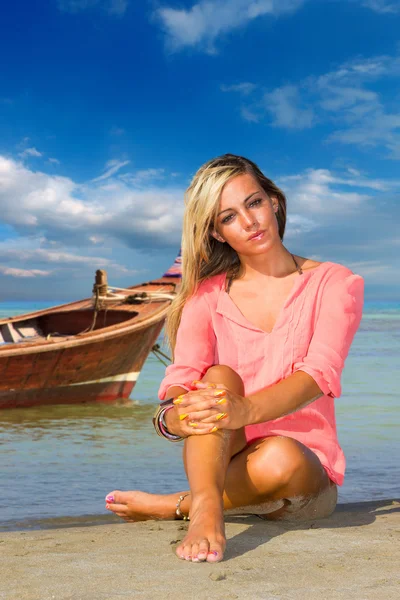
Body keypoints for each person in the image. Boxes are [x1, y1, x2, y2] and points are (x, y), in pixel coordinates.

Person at [105, 154, 364, 564]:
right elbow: (183, 376)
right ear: (217, 233)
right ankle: (208, 506)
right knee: (218, 376)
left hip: (300, 476)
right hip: (226, 456)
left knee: (281, 453)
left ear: (274, 202)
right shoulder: (204, 296)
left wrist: (245, 410)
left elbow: (319, 374)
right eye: (228, 216)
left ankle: (176, 505)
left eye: (254, 203)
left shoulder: (334, 283)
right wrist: (174, 415)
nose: (249, 221)